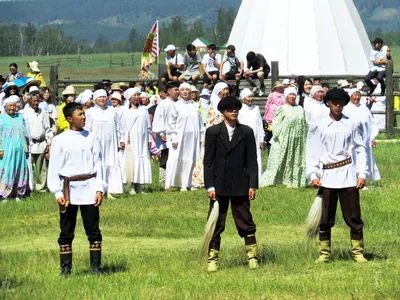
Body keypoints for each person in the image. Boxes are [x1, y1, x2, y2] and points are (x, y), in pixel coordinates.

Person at [306, 88, 368, 263]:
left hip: (348, 174)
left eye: (341, 102)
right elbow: (312, 150)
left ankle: (357, 252)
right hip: (327, 175)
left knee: (353, 215)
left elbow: (360, 148)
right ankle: (324, 253)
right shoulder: (319, 125)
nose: (338, 105)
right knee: (326, 217)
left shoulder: (352, 123)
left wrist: (362, 173)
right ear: (328, 103)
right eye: (335, 102)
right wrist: (313, 173)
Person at [47, 102, 107, 276]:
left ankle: (96, 268)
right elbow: (54, 168)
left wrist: (99, 188)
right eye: (79, 114)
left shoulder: (92, 137)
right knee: (66, 231)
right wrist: (57, 192)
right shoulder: (59, 140)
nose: (83, 117)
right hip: (68, 191)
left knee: (93, 229)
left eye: (83, 114)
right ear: (69, 118)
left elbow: (99, 164)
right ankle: (65, 270)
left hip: (89, 188)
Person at [204, 96, 259, 272]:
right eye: (230, 109)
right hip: (219, 185)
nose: (234, 111)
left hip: (240, 184)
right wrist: (210, 186)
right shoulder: (213, 132)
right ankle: (212, 259)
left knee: (245, 221)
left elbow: (252, 161)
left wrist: (253, 184)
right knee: (216, 222)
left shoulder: (246, 132)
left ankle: (252, 256)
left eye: (236, 108)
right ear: (223, 112)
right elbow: (209, 162)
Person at [260, 87, 308, 188]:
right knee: (279, 159)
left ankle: (293, 179)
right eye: (290, 94)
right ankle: (276, 179)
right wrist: (278, 136)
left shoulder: (300, 108)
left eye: (294, 94)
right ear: (286, 96)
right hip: (284, 138)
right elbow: (276, 123)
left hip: (297, 140)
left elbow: (304, 123)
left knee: (295, 159)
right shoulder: (282, 108)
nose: (292, 96)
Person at [165, 83, 204, 191]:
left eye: (187, 89)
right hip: (180, 137)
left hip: (194, 138)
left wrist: (201, 138)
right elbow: (171, 124)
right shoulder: (175, 106)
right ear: (180, 92)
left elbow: (200, 124)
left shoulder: (195, 105)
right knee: (181, 158)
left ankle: (192, 182)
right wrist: (174, 139)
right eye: (182, 90)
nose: (185, 92)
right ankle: (181, 183)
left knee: (193, 158)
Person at [85, 89, 124, 198]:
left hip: (111, 144)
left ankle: (110, 190)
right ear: (95, 99)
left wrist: (120, 140)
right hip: (97, 143)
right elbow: (87, 129)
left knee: (111, 164)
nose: (102, 99)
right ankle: (98, 190)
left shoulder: (112, 111)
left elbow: (119, 128)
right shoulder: (90, 112)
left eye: (104, 97)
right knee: (98, 164)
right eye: (99, 97)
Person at [191, 82, 229, 188]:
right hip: (213, 134)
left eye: (227, 89)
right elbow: (212, 120)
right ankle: (202, 180)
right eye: (223, 90)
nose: (226, 92)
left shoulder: (227, 103)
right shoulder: (214, 104)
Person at [343, 89, 381, 183]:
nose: (357, 98)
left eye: (358, 95)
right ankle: (354, 178)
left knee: (364, 157)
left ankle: (363, 177)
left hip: (365, 139)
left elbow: (371, 123)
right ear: (350, 96)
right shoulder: (346, 109)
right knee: (354, 156)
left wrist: (372, 137)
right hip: (352, 139)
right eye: (355, 96)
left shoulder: (364, 108)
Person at [20, 89, 53, 192]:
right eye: (33, 101)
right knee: (28, 167)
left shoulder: (43, 113)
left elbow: (48, 129)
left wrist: (48, 143)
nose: (35, 103)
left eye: (37, 101)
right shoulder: (24, 113)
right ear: (29, 101)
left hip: (41, 143)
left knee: (41, 167)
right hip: (30, 144)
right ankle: (28, 187)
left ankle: (41, 187)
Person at [121, 88, 152, 194]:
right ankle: (130, 186)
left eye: (138, 95)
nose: (136, 97)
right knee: (131, 160)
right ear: (129, 97)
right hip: (130, 140)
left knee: (141, 159)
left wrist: (149, 139)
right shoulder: (124, 110)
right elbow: (121, 127)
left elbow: (148, 127)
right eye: (134, 95)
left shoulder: (144, 109)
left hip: (142, 140)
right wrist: (122, 139)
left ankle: (139, 185)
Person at [0, 95, 30, 201]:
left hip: (20, 149)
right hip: (7, 150)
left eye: (14, 106)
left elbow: (25, 133)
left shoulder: (20, 117)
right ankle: (4, 194)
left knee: (19, 168)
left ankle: (18, 193)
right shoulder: (1, 118)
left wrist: (27, 149)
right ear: (5, 106)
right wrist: (0, 149)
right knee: (7, 170)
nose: (12, 108)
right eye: (10, 106)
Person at [152, 82, 180, 187]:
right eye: (175, 89)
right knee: (166, 156)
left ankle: (175, 180)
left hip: (177, 134)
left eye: (178, 90)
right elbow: (159, 119)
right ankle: (163, 179)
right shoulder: (163, 104)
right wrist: (161, 133)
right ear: (168, 91)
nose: (177, 92)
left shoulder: (179, 103)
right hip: (166, 135)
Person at [238, 88, 265, 181]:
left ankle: (258, 178)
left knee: (257, 156)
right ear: (243, 99)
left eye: (252, 96)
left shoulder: (256, 108)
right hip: (243, 136)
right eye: (248, 97)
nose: (251, 99)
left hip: (256, 136)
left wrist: (262, 138)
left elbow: (260, 124)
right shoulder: (240, 110)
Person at [263, 82, 286, 149]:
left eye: (282, 87)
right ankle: (267, 144)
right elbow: (268, 105)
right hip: (273, 114)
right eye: (279, 87)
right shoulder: (272, 94)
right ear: (276, 88)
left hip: (282, 113)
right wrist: (266, 114)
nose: (281, 89)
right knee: (270, 130)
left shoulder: (284, 95)